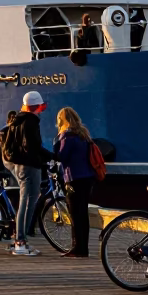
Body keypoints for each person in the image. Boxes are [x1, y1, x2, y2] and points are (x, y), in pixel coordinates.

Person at [2, 91, 52, 256]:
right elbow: (32, 146)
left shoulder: (17, 120)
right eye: (40, 107)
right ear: (37, 106)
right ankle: (20, 242)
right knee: (28, 202)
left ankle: (19, 238)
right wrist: (51, 156)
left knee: (25, 201)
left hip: (19, 165)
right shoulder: (30, 122)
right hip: (30, 166)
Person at [53, 107, 98, 258]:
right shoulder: (83, 134)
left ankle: (77, 248)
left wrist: (55, 145)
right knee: (83, 214)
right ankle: (83, 248)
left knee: (75, 214)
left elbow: (62, 157)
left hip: (73, 179)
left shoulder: (67, 136)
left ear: (62, 120)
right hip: (87, 177)